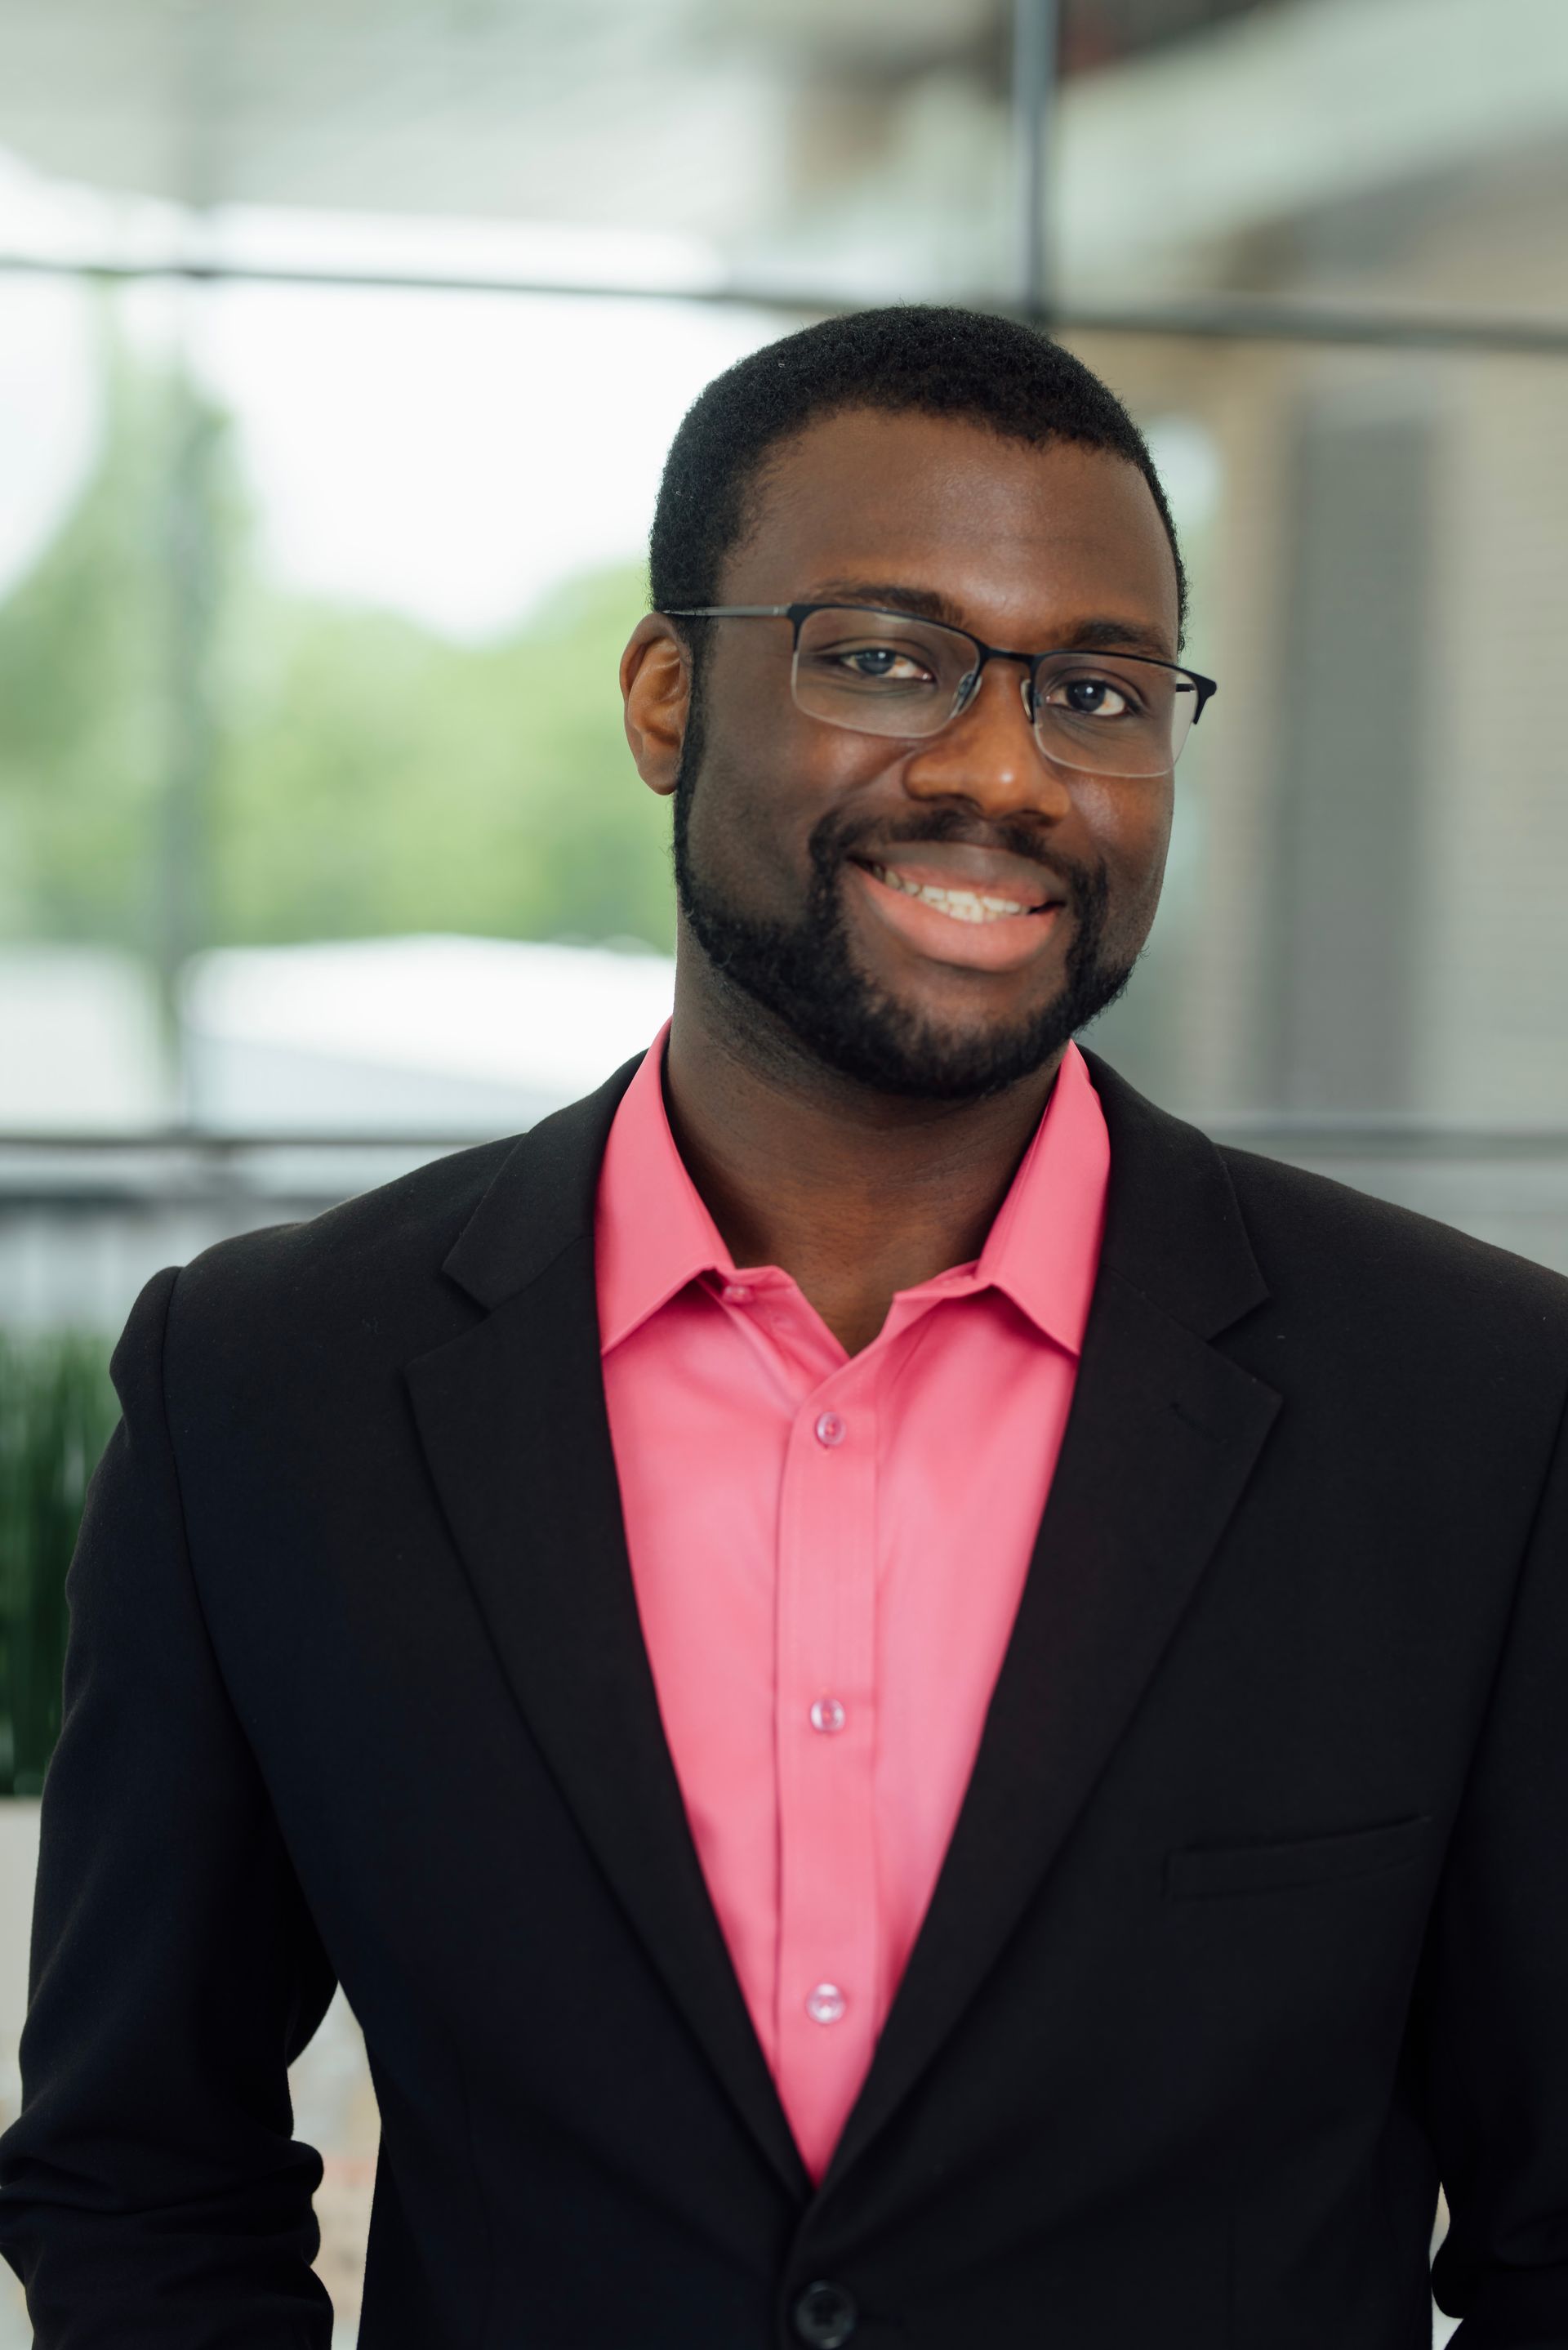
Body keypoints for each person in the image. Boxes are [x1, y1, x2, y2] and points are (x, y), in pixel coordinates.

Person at [1, 305, 1564, 2350]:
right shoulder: (271, 1389)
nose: (1004, 769)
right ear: (668, 696)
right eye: (888, 657)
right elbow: (139, 2171)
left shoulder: (1474, 1409)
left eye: (1097, 690)